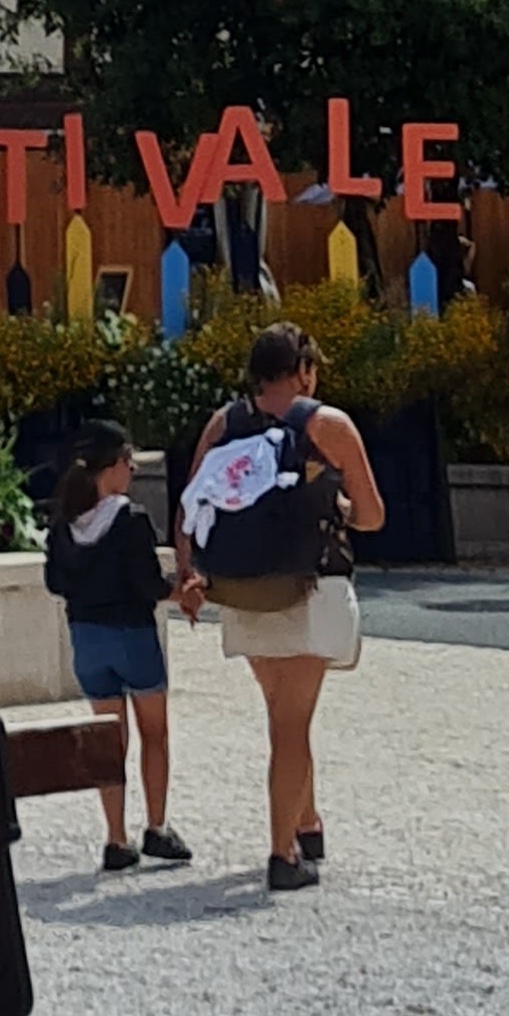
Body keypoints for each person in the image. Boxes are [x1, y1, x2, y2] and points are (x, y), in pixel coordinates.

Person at [177, 318, 382, 893]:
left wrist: (189, 573)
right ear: (305, 371)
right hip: (307, 586)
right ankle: (282, 851)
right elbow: (373, 515)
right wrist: (340, 508)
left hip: (242, 587)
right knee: (293, 724)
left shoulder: (225, 422)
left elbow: (192, 504)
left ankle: (307, 821)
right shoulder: (327, 424)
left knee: (283, 714)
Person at [43, 420, 187, 871]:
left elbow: (55, 582)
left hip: (86, 637)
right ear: (113, 467)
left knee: (108, 741)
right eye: (128, 461)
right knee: (154, 734)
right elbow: (148, 584)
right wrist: (182, 591)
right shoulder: (129, 519)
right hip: (132, 635)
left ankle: (115, 836)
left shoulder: (64, 522)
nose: (132, 469)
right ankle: (157, 827)